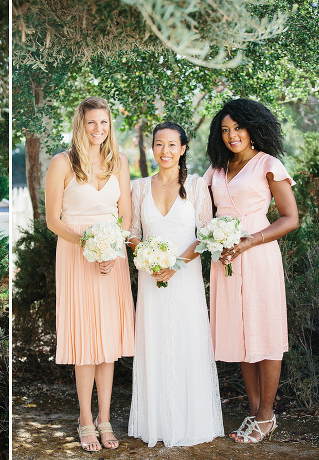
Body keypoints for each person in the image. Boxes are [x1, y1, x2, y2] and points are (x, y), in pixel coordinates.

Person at [204, 99, 299, 443]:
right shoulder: (216, 169)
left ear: (253, 128)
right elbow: (198, 206)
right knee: (240, 334)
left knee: (265, 332)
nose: (232, 135)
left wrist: (249, 241)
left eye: (238, 128)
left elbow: (290, 218)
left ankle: (266, 415)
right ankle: (257, 412)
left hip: (257, 256)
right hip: (225, 259)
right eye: (225, 130)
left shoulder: (268, 164)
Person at [44, 96, 134, 452]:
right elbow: (53, 220)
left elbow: (124, 215)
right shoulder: (61, 163)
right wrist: (89, 246)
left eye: (104, 122)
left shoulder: (120, 162)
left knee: (107, 343)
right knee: (85, 341)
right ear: (80, 125)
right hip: (75, 254)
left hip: (112, 259)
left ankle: (105, 418)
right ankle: (84, 419)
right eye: (91, 122)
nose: (98, 129)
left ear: (110, 125)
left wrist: (112, 249)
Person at [126, 122, 223, 447]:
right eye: (159, 144)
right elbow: (133, 232)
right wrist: (148, 258)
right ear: (152, 148)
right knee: (154, 343)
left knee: (186, 342)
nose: (165, 151)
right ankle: (157, 422)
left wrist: (176, 265)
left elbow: (207, 235)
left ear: (182, 148)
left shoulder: (196, 186)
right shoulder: (138, 187)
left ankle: (189, 421)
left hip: (185, 279)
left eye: (171, 145)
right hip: (151, 279)